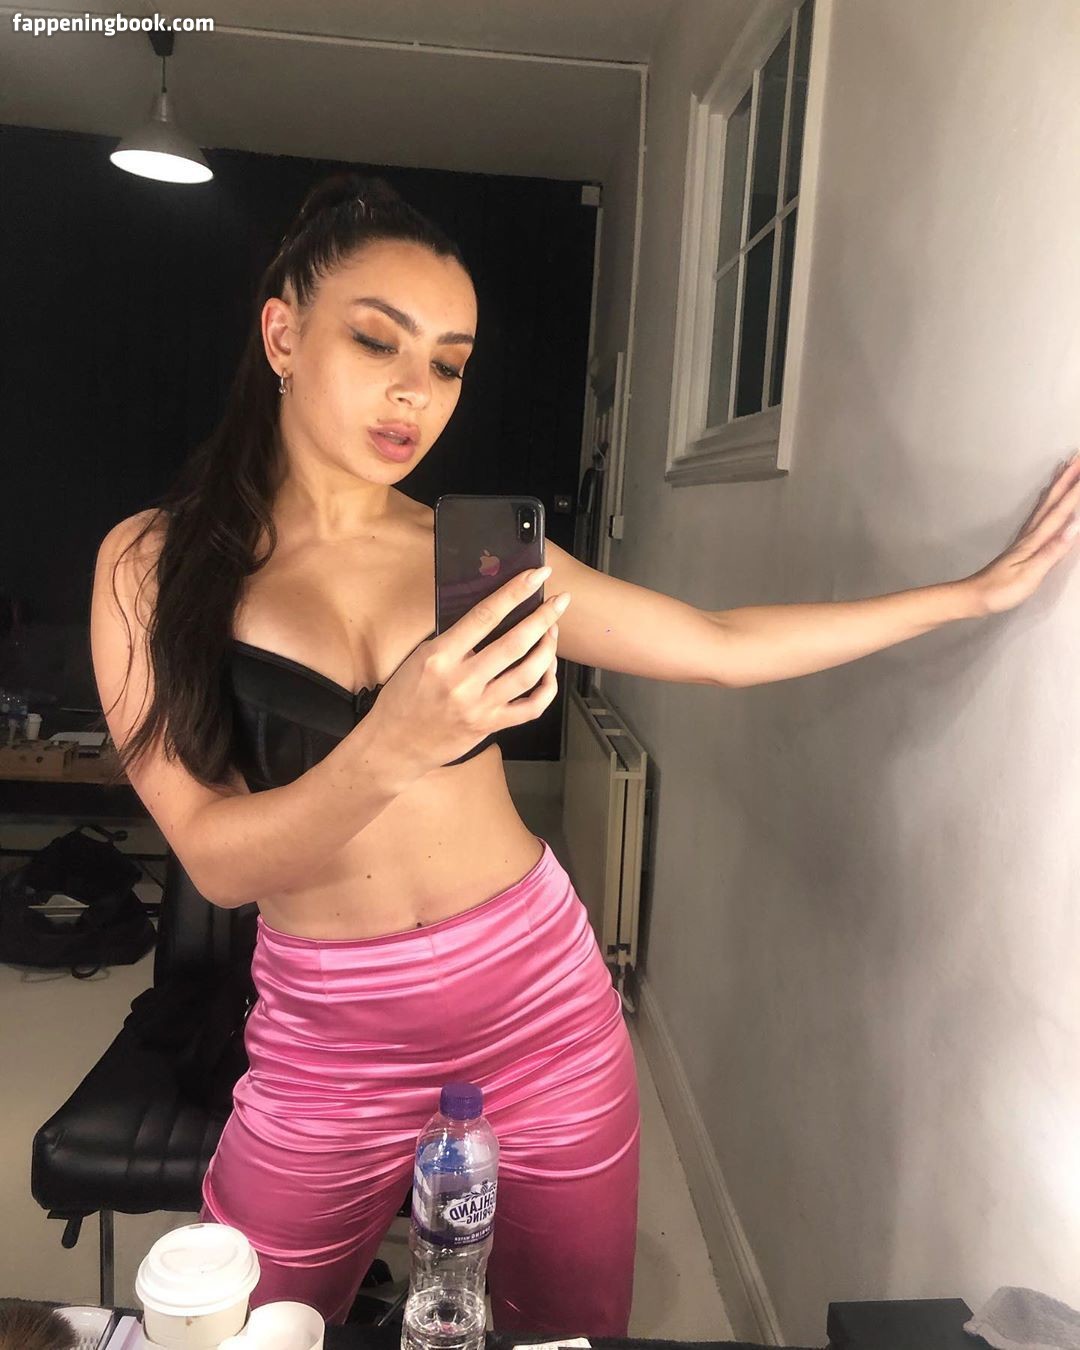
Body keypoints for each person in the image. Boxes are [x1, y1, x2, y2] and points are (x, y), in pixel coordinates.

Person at [89, 171, 1080, 1334]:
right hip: (327, 1041)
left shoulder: (481, 553)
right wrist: (396, 741)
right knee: (238, 1323)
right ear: (282, 334)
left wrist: (970, 596)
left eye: (449, 364)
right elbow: (215, 860)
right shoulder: (152, 566)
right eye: (376, 340)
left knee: (565, 1332)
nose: (415, 393)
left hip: (538, 1007)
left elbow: (717, 646)